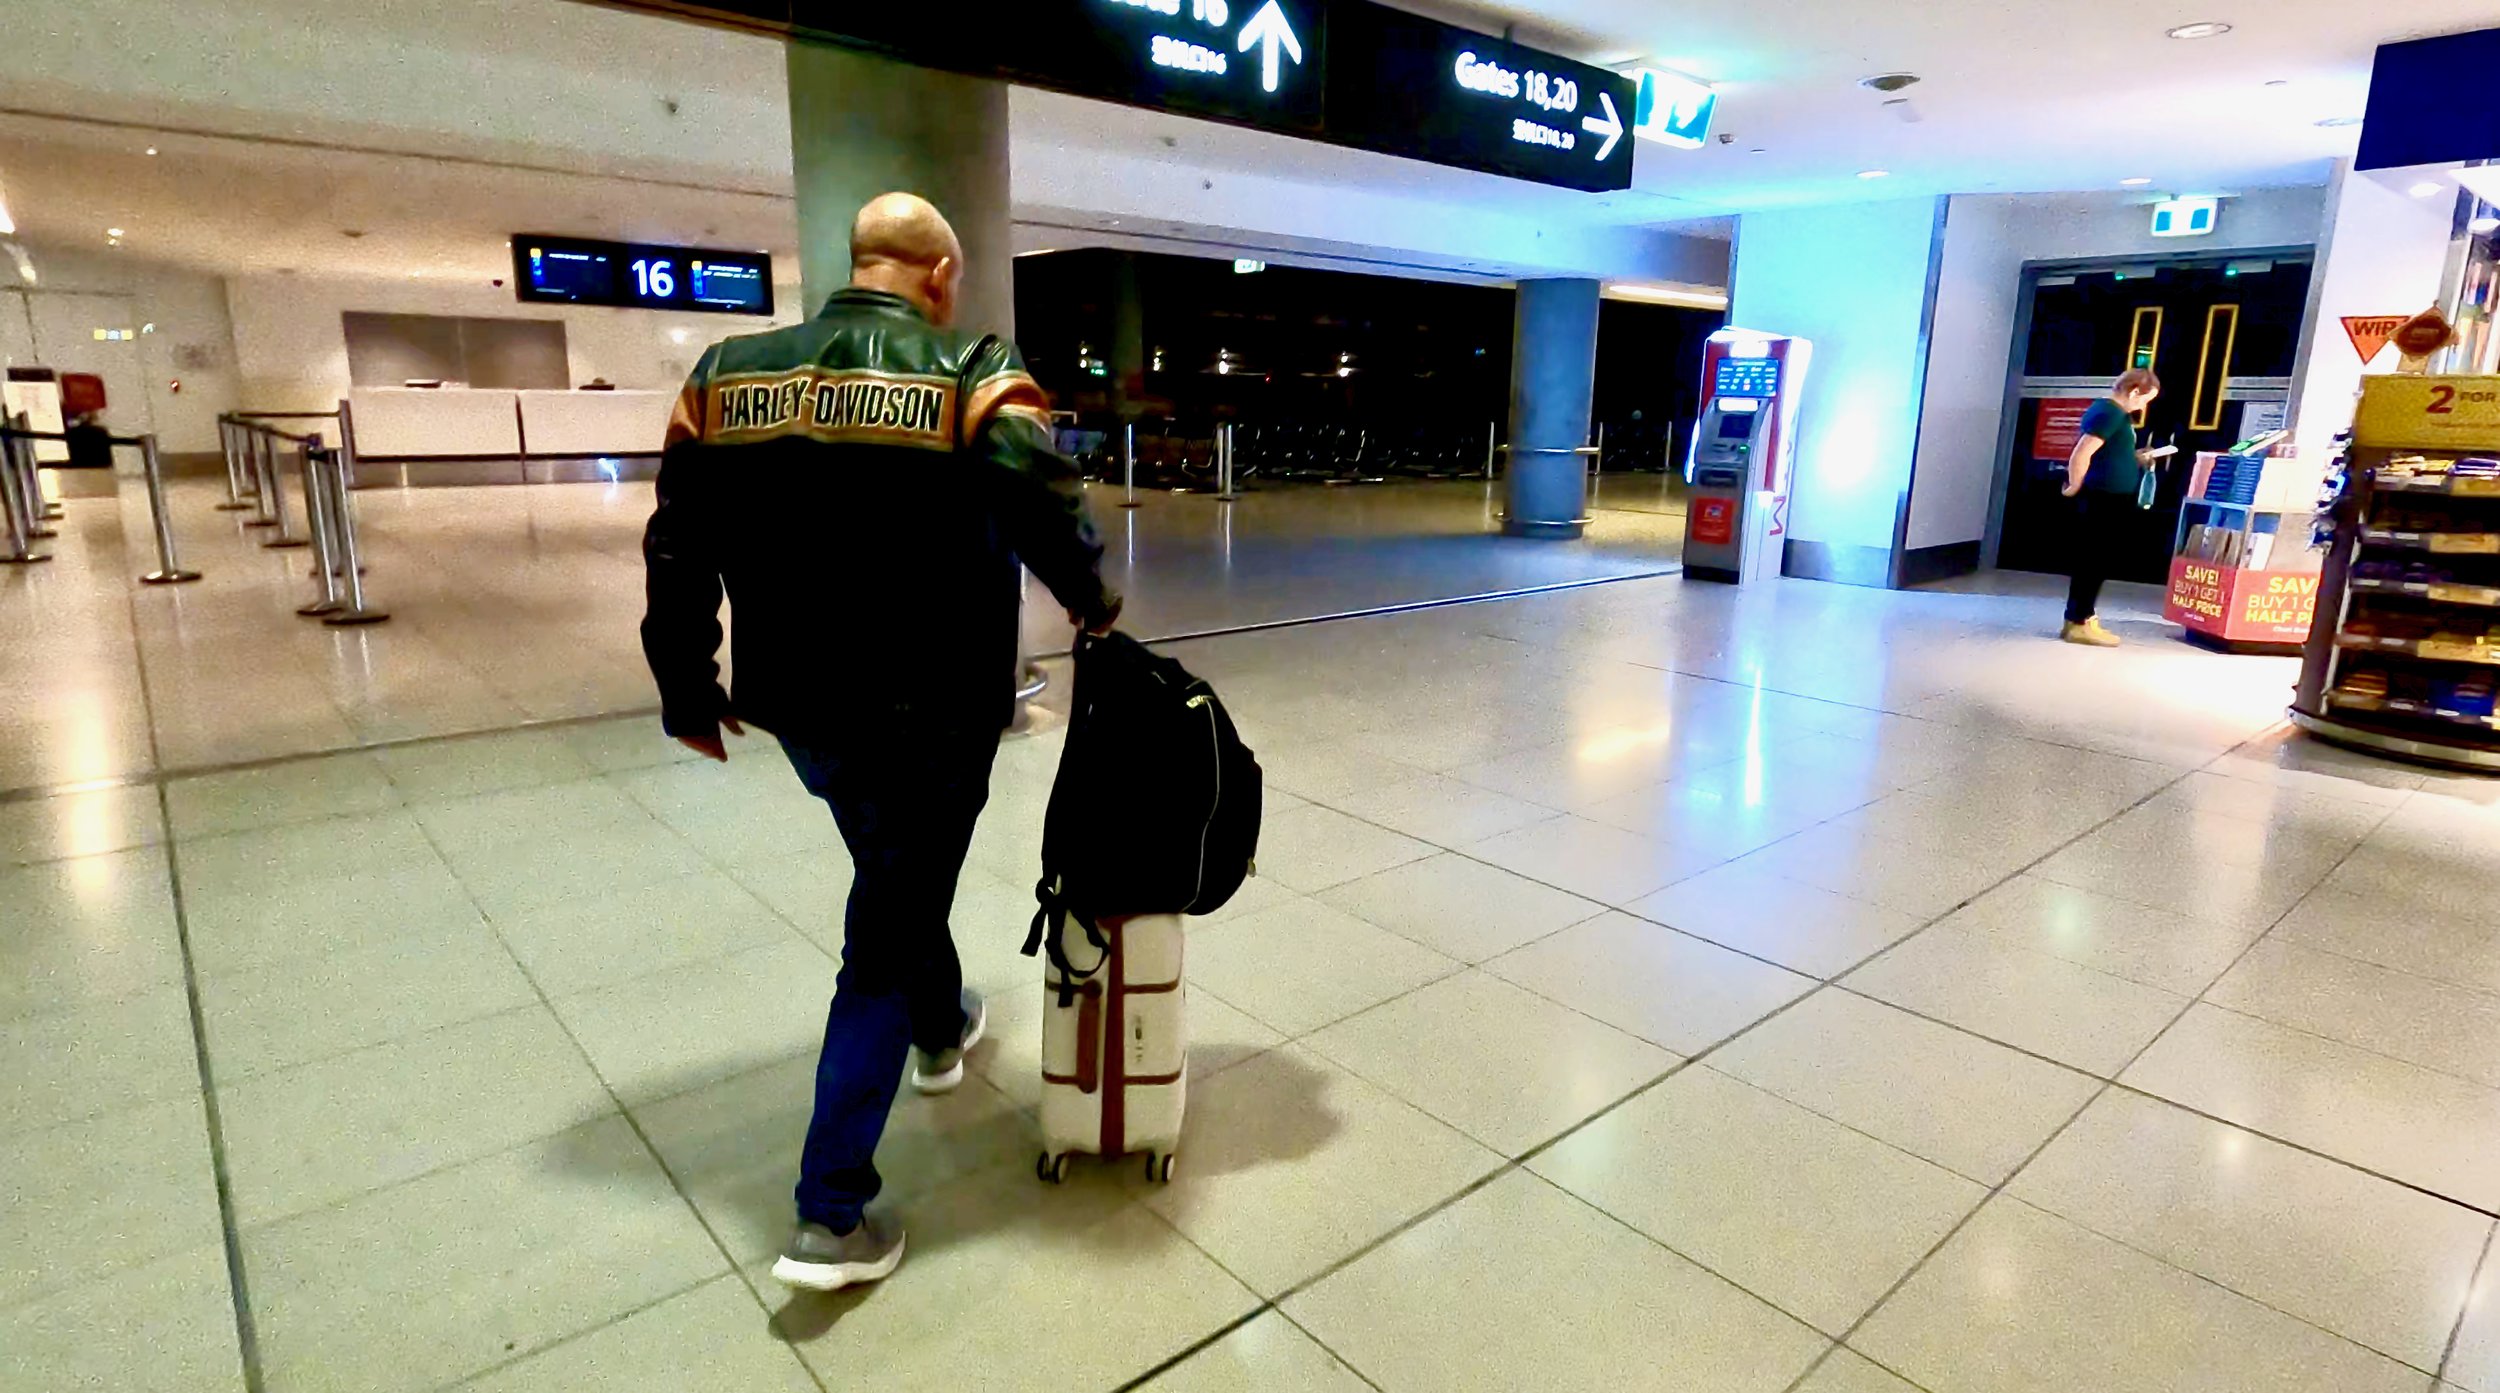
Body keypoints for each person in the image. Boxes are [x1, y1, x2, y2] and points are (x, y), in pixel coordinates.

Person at [640, 191, 1121, 1294]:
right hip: (932, 712)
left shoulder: (724, 375)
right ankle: (831, 1212)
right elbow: (1046, 504)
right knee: (883, 929)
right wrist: (1094, 601)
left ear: (854, 265)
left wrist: (686, 684)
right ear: (940, 276)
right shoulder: (974, 374)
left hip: (799, 708)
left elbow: (677, 544)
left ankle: (943, 1027)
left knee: (896, 876)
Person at [2057, 367, 2161, 647]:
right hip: (2103, 497)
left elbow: (2109, 453)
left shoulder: (2114, 415)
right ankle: (2079, 621)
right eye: (2144, 399)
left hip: (2111, 496)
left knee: (2098, 559)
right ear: (2134, 391)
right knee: (2093, 559)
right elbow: (2083, 452)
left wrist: (2134, 458)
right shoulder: (2111, 413)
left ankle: (2082, 616)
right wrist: (2074, 485)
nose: (2143, 406)